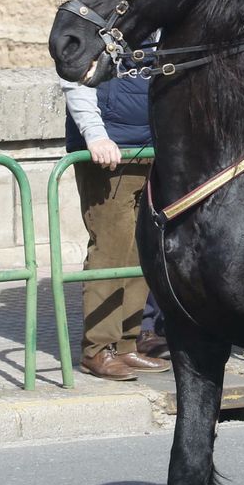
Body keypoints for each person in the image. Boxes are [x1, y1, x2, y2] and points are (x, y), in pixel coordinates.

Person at [62, 41, 169, 382]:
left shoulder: (158, 18)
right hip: (109, 150)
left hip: (150, 145)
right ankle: (98, 348)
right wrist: (95, 135)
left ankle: (126, 342)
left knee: (140, 248)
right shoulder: (95, 20)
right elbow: (74, 77)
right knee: (111, 249)